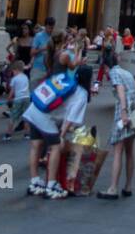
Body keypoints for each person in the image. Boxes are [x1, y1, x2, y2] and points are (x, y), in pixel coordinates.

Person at [24, 63, 93, 199]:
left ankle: (35, 182)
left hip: (34, 108)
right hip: (45, 116)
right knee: (55, 147)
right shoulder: (82, 93)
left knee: (35, 146)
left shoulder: (64, 78)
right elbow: (71, 119)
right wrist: (61, 135)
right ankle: (51, 185)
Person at [97, 48, 135, 199]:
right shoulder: (126, 72)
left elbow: (121, 90)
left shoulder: (114, 73)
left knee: (118, 150)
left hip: (125, 110)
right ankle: (128, 186)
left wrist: (123, 111)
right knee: (130, 151)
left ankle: (113, 188)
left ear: (105, 67)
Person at [3, 62, 31, 142]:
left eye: (13, 71)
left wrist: (9, 98)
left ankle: (8, 134)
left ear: (16, 70)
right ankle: (27, 134)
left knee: (13, 116)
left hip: (18, 99)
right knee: (26, 117)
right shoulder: (25, 77)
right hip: (27, 98)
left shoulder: (14, 79)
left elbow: (12, 91)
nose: (13, 73)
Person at [30, 17, 55, 83]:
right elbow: (32, 52)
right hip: (38, 69)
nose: (51, 30)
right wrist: (43, 48)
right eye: (49, 28)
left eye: (52, 28)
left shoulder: (54, 36)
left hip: (49, 70)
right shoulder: (38, 36)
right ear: (45, 26)